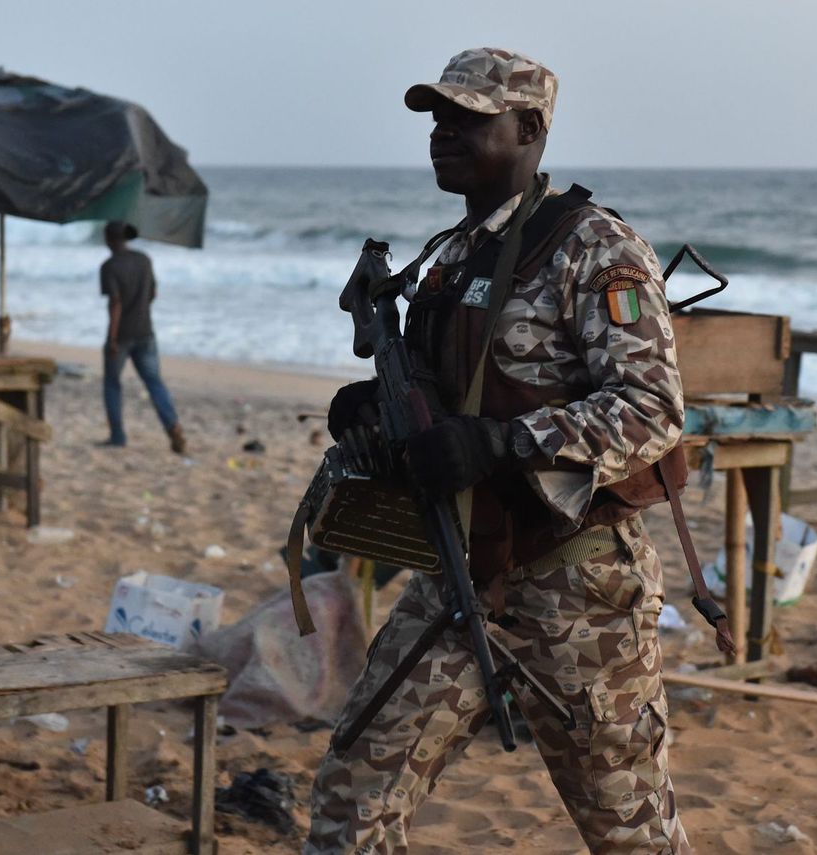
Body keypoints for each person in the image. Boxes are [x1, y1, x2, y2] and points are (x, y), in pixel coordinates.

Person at [307, 48, 692, 853]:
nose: (444, 133)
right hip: (460, 578)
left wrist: (502, 443)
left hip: (576, 589)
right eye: (438, 117)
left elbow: (653, 410)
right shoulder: (450, 255)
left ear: (530, 128)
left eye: (468, 118)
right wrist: (374, 411)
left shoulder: (595, 248)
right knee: (354, 790)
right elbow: (443, 402)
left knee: (630, 829)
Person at [98, 220, 186, 453]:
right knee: (154, 382)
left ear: (108, 239)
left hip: (122, 334)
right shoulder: (144, 259)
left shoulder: (110, 266)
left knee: (112, 384)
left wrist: (112, 338)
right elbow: (153, 292)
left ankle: (117, 435)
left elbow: (115, 303)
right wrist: (140, 308)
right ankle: (173, 426)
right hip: (146, 331)